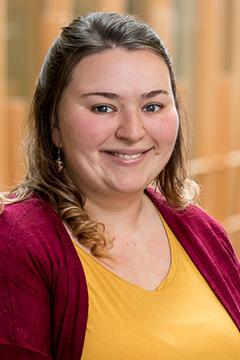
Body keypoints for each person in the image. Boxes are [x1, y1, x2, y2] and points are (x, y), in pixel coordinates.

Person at [0, 11, 239, 360]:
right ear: (53, 122)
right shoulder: (16, 243)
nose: (132, 131)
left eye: (152, 106)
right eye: (103, 108)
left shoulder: (203, 232)